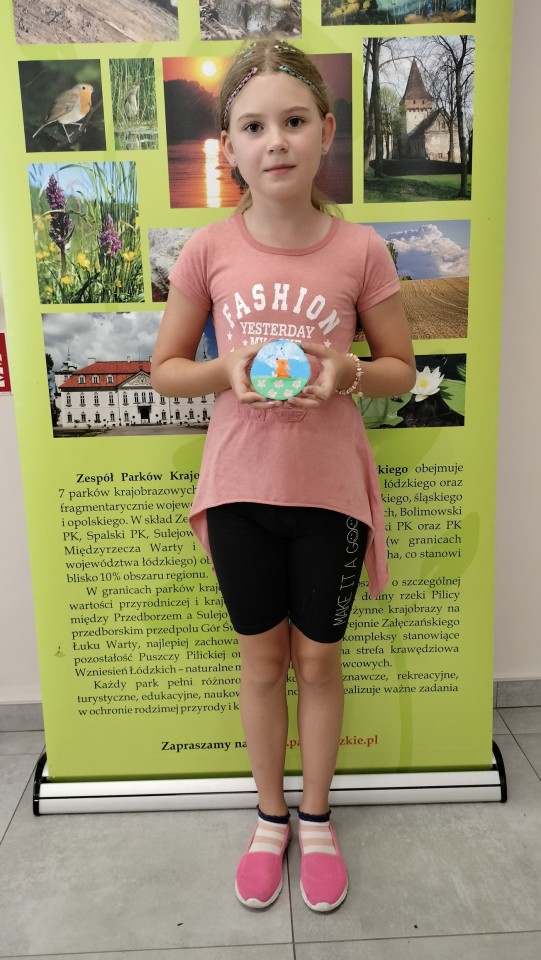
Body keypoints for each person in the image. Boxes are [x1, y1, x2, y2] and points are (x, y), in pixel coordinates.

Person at [151, 38, 416, 913]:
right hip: (238, 493)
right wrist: (225, 371)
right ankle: (270, 819)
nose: (276, 142)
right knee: (262, 663)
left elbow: (400, 369)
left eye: (294, 121)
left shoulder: (361, 249)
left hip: (330, 495)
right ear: (228, 146)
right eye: (254, 126)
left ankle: (317, 818)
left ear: (325, 132)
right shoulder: (207, 250)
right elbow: (165, 370)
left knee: (320, 661)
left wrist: (344, 372)